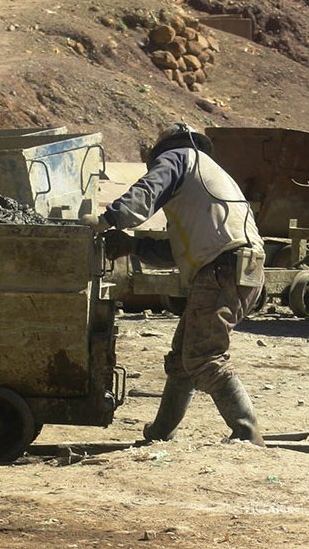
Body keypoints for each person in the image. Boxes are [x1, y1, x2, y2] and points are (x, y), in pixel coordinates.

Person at [83, 122, 267, 445]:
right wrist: (134, 246)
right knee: (184, 357)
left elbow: (146, 193)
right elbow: (179, 248)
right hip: (243, 268)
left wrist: (107, 219)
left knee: (204, 358)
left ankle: (248, 434)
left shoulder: (178, 158)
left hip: (221, 269)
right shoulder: (206, 175)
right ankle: (161, 433)